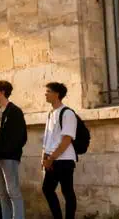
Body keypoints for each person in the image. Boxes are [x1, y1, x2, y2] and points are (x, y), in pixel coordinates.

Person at [0, 81, 27, 219]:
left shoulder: (15, 111)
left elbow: (20, 137)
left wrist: (4, 152)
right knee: (1, 193)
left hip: (9, 158)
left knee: (13, 192)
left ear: (2, 92)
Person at [41, 82, 77, 219]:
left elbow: (66, 140)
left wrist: (50, 159)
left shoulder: (67, 113)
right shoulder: (51, 113)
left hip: (64, 160)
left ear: (57, 94)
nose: (45, 94)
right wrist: (44, 158)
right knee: (47, 189)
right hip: (52, 159)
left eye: (48, 91)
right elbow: (48, 139)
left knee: (67, 192)